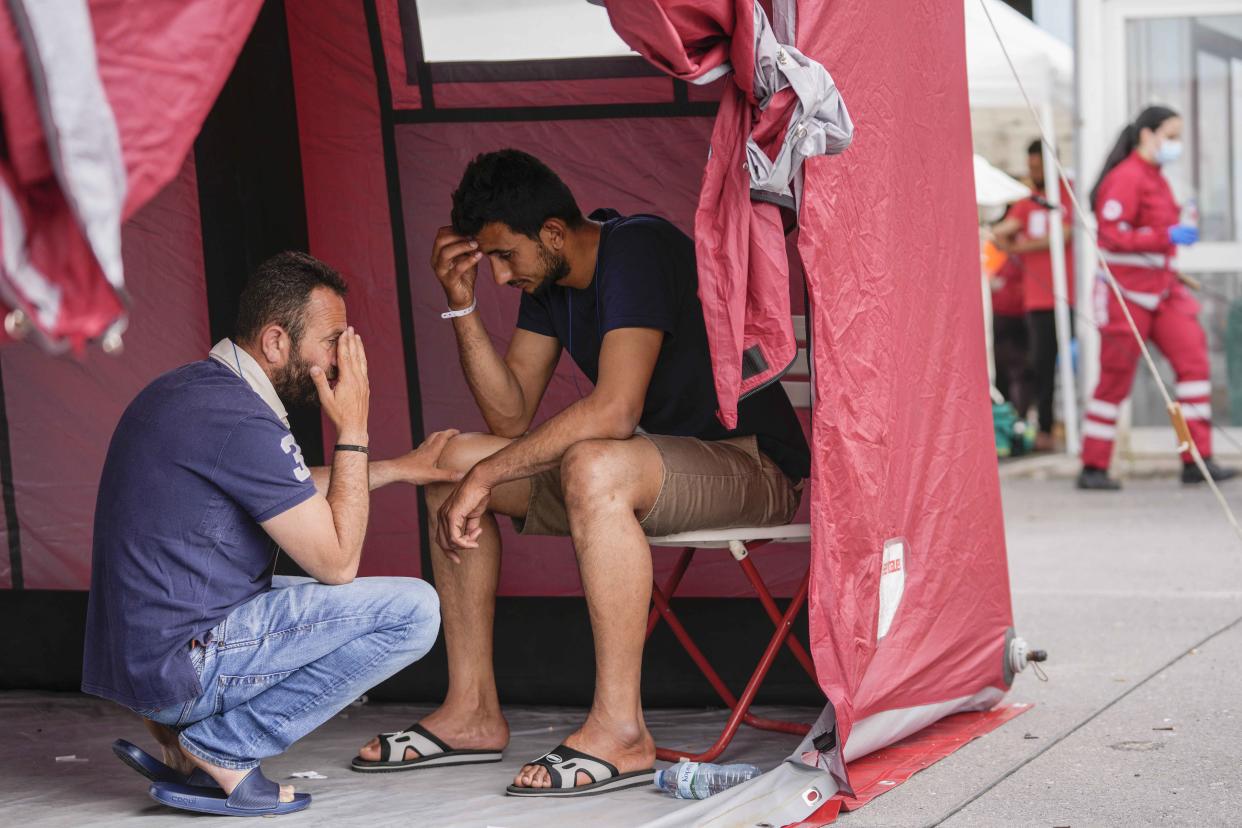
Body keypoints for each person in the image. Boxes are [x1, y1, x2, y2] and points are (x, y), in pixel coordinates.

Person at [352, 149, 809, 796]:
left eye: (506, 256)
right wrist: (462, 305)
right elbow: (510, 419)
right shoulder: (550, 283)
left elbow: (616, 409)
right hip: (657, 465)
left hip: (750, 466)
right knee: (451, 466)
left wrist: (491, 476)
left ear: (555, 233)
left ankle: (622, 730)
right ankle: (471, 712)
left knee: (590, 464)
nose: (502, 274)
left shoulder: (638, 248)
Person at [83, 252, 458, 816]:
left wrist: (401, 467)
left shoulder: (189, 392)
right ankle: (225, 747)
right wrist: (354, 426)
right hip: (184, 664)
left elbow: (288, 485)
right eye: (332, 341)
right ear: (278, 342)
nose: (341, 360)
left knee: (310, 594)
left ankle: (187, 749)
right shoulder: (240, 418)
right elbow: (336, 562)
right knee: (415, 611)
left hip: (147, 664)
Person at [1077, 106, 1236, 490]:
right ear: (1148, 135)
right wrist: (1164, 237)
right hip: (1124, 293)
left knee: (1194, 363)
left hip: (1163, 291)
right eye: (1172, 134)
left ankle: (1196, 459)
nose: (1176, 144)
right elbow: (1111, 235)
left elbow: (1158, 227)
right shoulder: (1126, 178)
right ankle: (1093, 467)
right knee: (1115, 380)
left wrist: (1180, 228)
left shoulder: (1159, 178)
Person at [994, 139, 1075, 452]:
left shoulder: (1065, 195)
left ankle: (1051, 425)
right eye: (1030, 167)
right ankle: (1043, 426)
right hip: (1035, 299)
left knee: (1057, 364)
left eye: (1038, 167)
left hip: (1063, 296)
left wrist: (1017, 246)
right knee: (1039, 365)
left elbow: (1062, 235)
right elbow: (1006, 227)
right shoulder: (1029, 201)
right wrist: (1001, 233)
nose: (1034, 172)